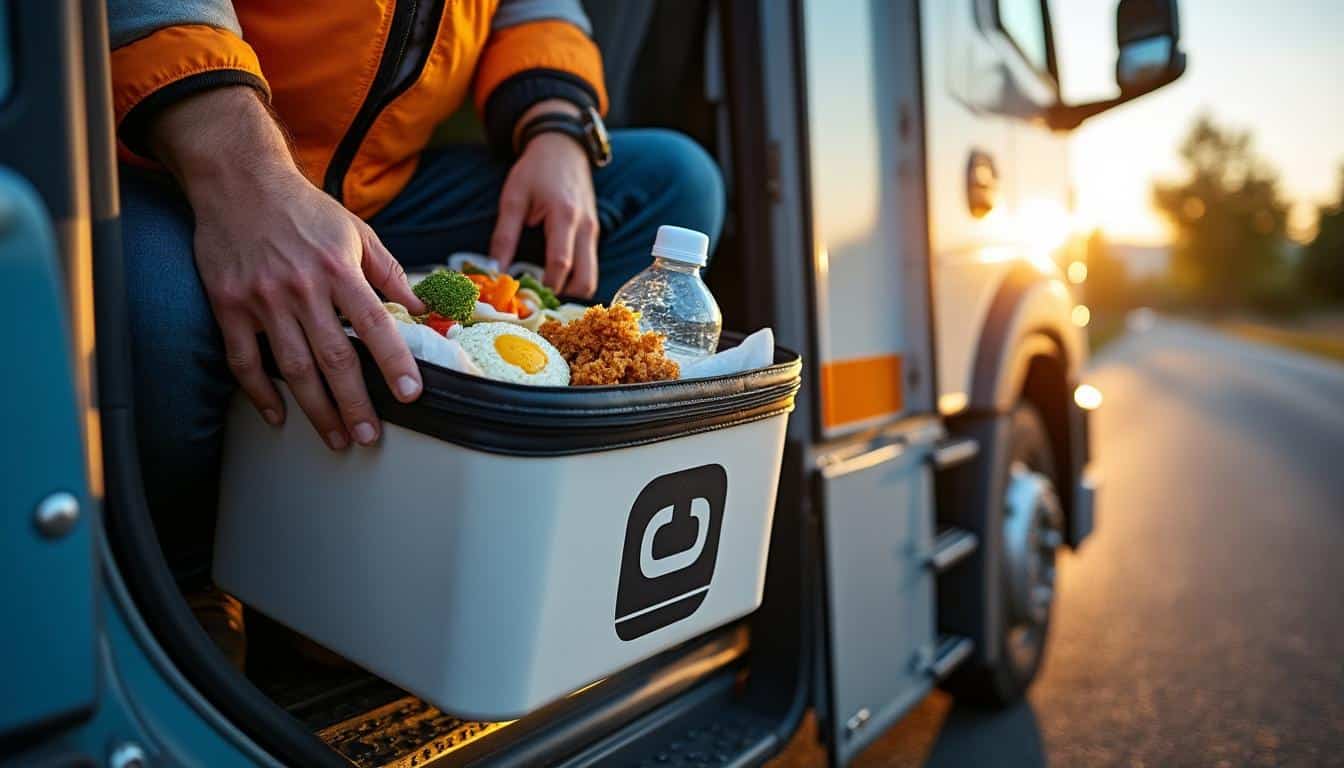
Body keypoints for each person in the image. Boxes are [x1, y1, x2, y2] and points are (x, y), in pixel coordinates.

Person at [109, 0, 724, 662]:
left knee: (671, 181)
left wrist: (557, 126)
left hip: (383, 198)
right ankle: (195, 582)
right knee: (148, 297)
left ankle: (535, 530)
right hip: (184, 164)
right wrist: (240, 172)